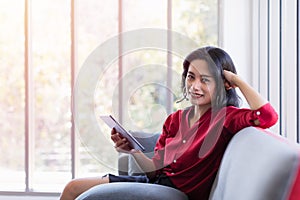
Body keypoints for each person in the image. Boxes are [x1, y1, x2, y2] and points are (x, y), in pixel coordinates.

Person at [60, 46, 278, 200]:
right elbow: (154, 171)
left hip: (175, 192)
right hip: (155, 184)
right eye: (191, 77)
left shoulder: (227, 117)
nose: (194, 86)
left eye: (205, 80)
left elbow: (268, 116)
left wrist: (237, 80)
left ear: (224, 84)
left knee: (76, 191)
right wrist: (132, 150)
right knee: (72, 188)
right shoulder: (175, 120)